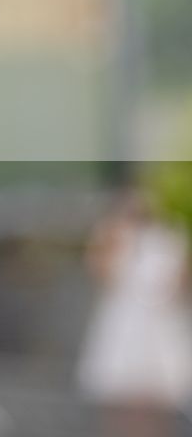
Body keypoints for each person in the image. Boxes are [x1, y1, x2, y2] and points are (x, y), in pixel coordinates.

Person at [78, 186, 192, 437]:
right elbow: (101, 274)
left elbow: (181, 286)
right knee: (122, 402)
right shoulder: (115, 238)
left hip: (159, 330)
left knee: (156, 404)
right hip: (125, 330)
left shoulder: (169, 239)